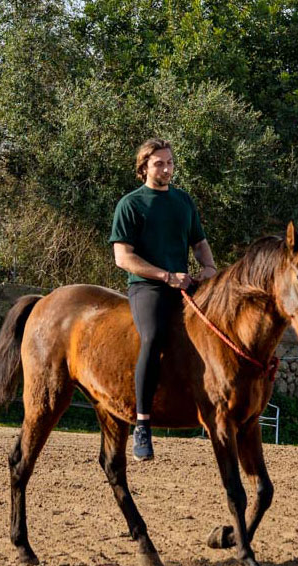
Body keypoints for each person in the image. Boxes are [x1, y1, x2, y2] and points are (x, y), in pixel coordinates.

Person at [109, 138, 217, 461]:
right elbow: (123, 258)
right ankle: (142, 424)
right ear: (144, 167)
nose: (166, 168)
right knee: (153, 338)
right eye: (159, 163)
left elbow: (199, 243)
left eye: (170, 162)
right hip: (147, 288)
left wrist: (209, 267)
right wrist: (167, 276)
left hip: (185, 286)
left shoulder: (184, 202)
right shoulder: (130, 204)